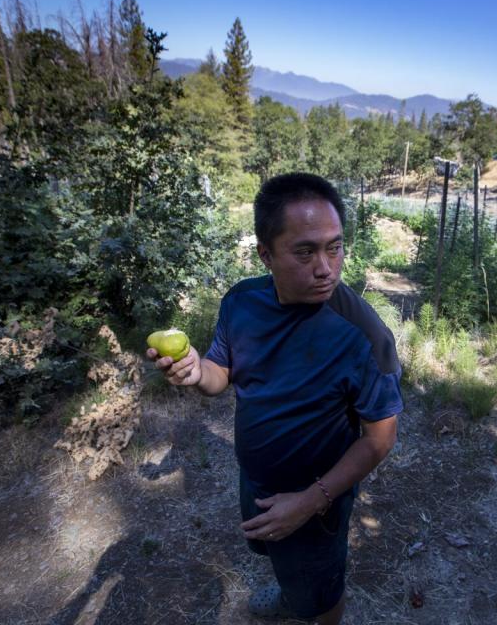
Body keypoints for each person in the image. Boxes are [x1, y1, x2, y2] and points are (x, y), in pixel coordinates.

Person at [147, 172, 403, 624]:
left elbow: (379, 440)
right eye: (305, 251)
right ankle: (290, 595)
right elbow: (219, 374)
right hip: (257, 480)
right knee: (282, 557)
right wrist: (193, 369)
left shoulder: (363, 335)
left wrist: (308, 502)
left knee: (322, 595)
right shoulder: (242, 303)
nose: (325, 267)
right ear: (266, 254)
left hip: (317, 499)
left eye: (335, 247)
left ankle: (305, 604)